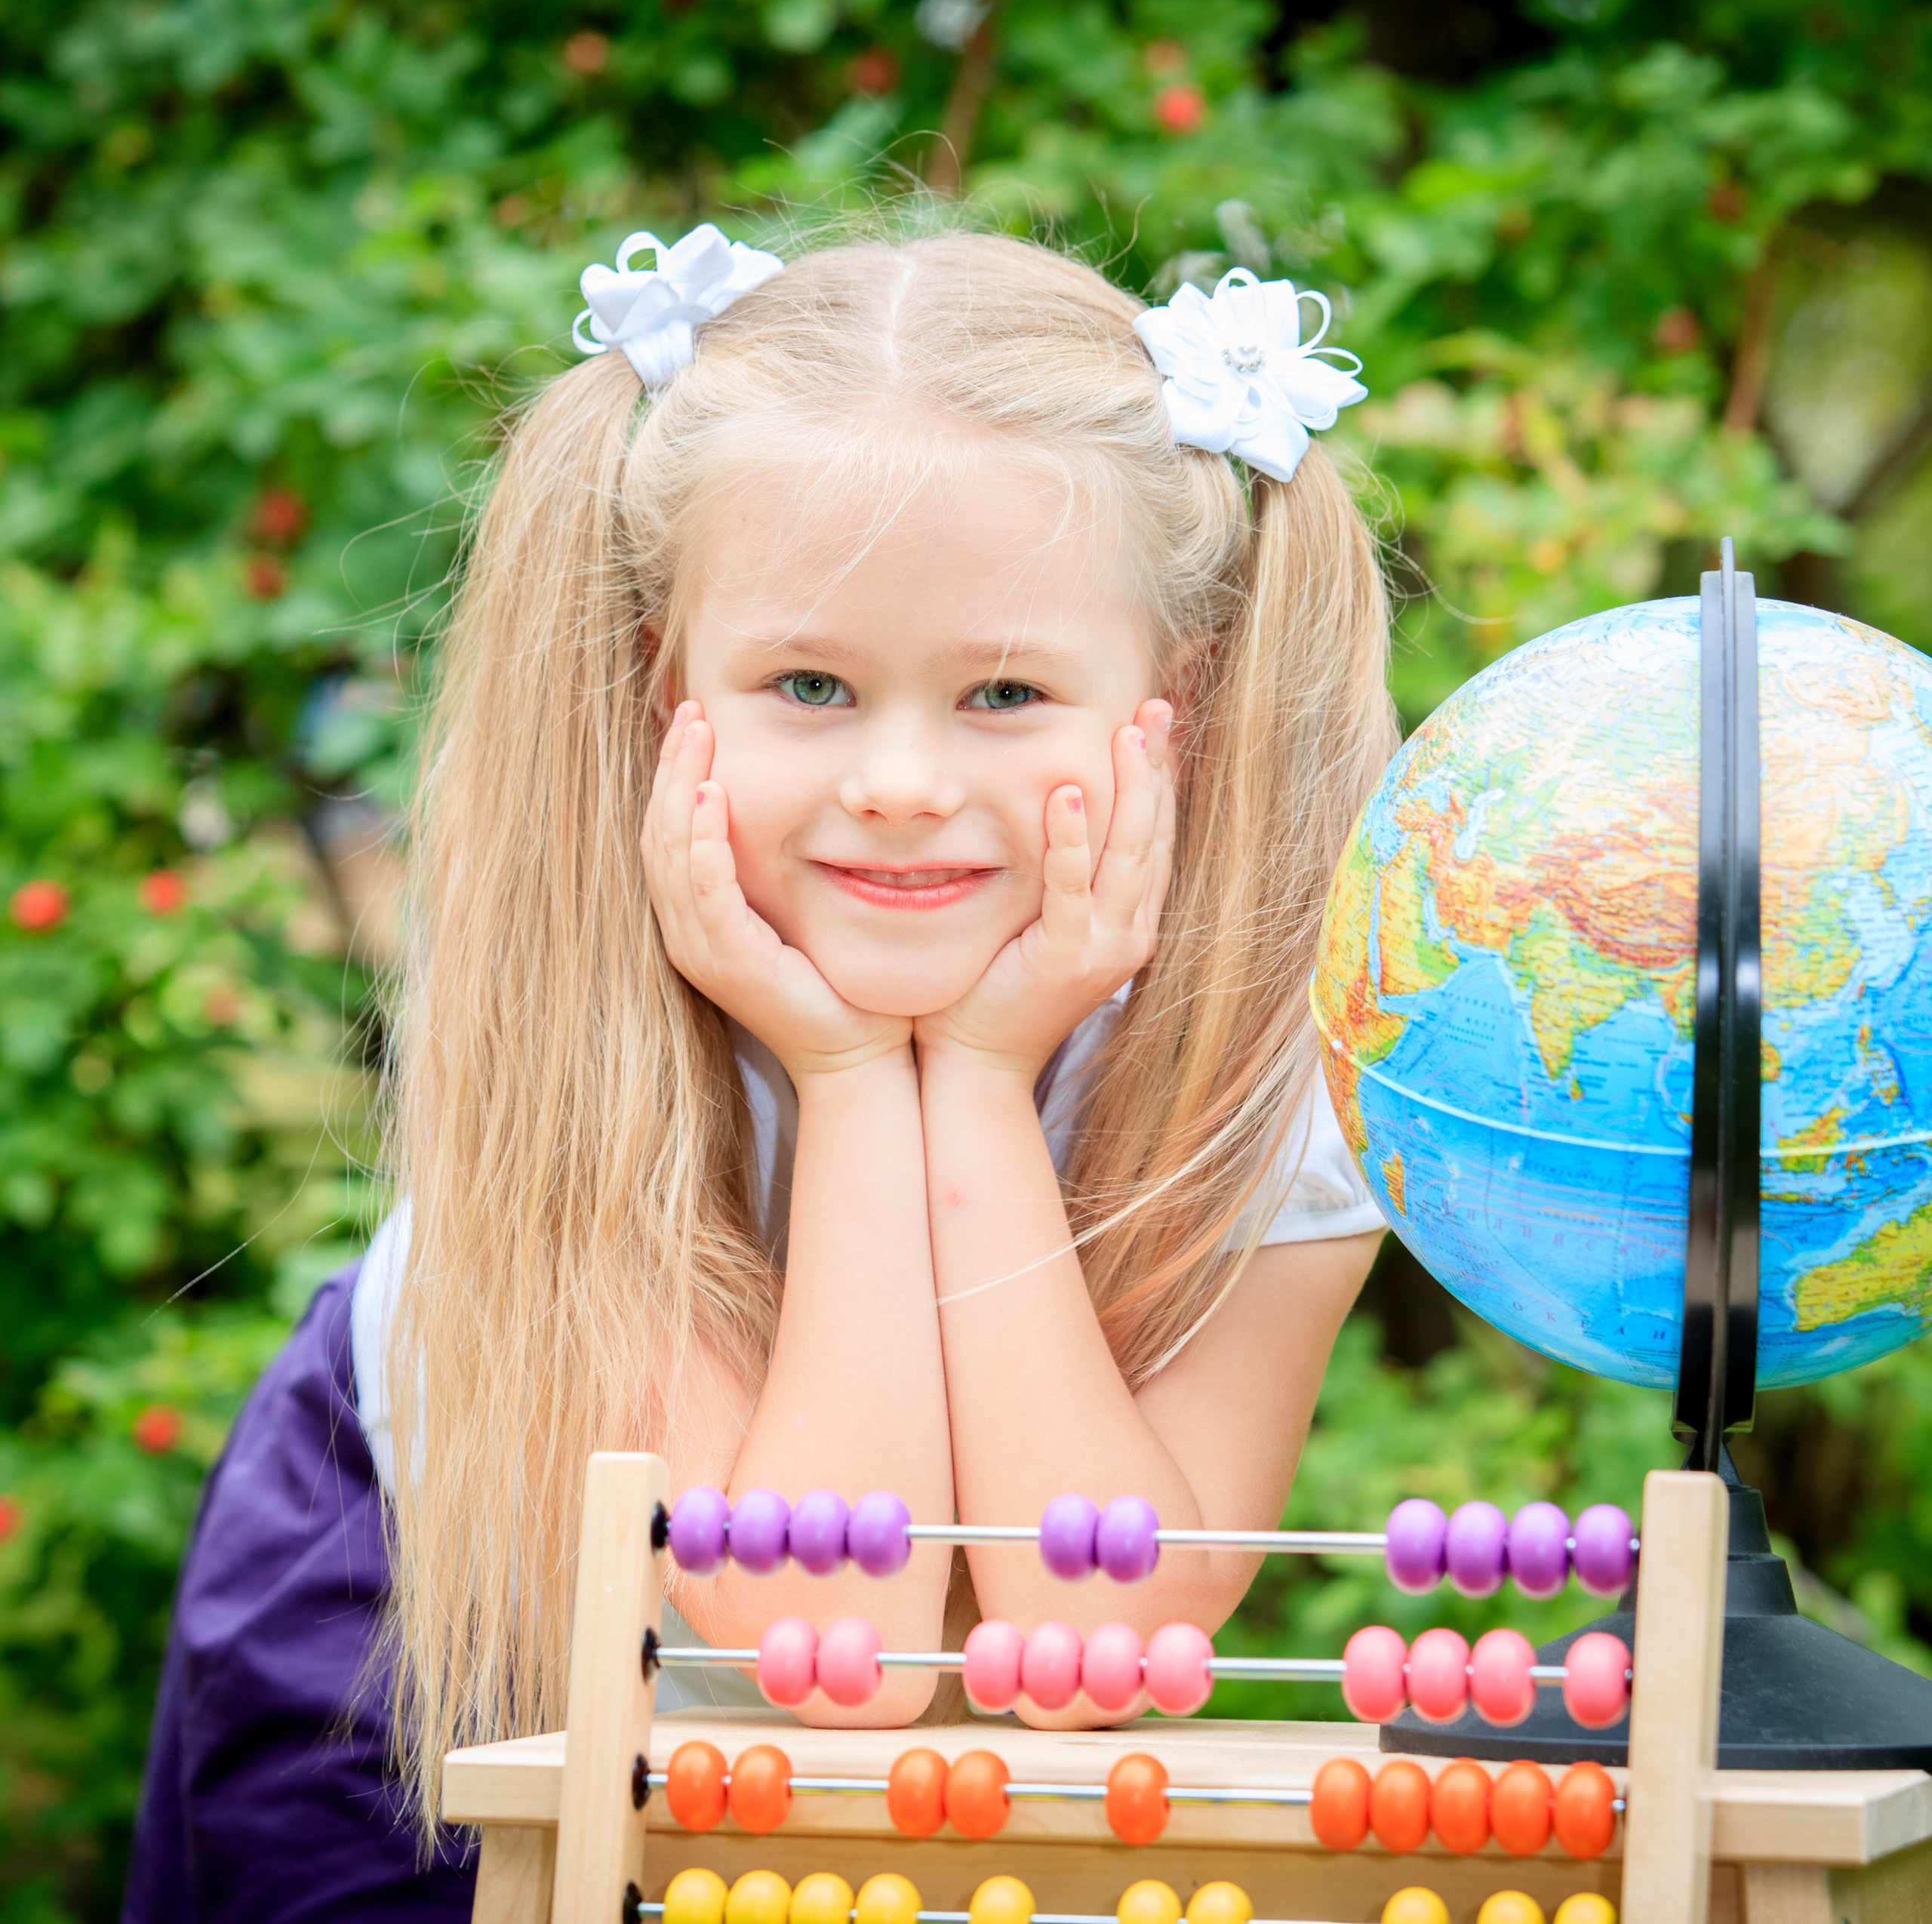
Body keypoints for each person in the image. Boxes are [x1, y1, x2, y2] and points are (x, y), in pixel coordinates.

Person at [124, 221, 1394, 1923]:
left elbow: (1089, 1650)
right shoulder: (594, 1055)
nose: (895, 778)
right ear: (665, 693)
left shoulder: (1271, 1087)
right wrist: (858, 1071)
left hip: (837, 1771)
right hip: (414, 1654)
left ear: (1171, 701)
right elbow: (848, 1654)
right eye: (809, 682)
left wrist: (978, 1085)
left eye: (1004, 690)